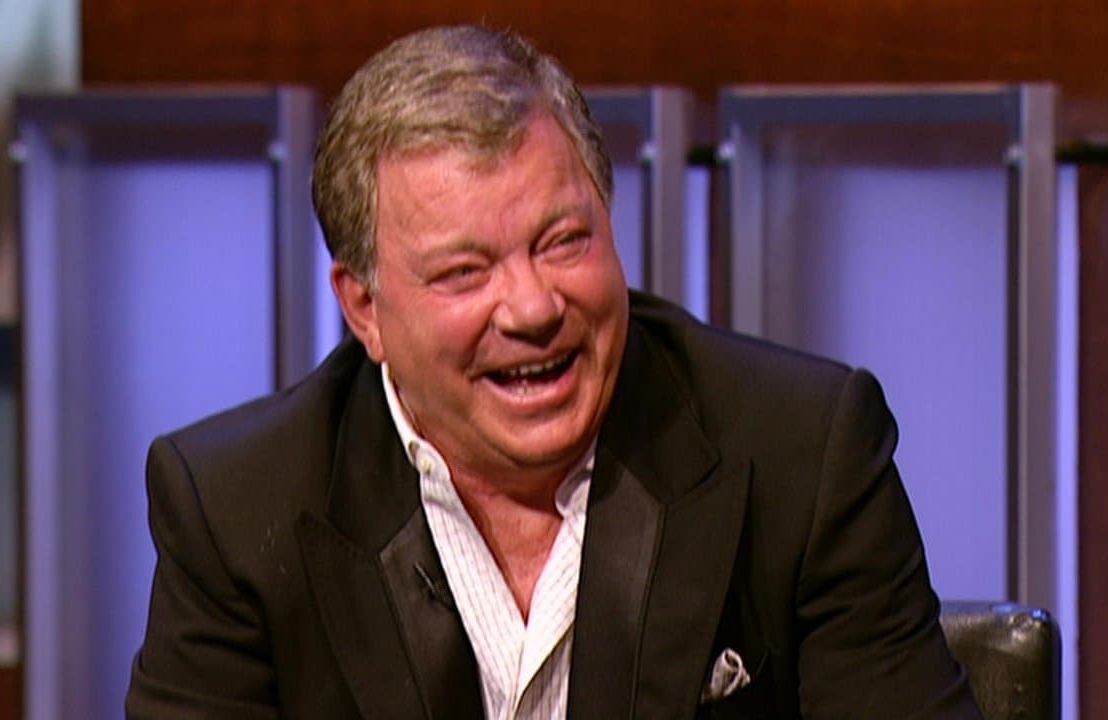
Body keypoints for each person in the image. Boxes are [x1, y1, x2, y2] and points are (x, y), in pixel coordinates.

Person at [126, 25, 981, 719]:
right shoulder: (239, 512)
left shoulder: (803, 454)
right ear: (364, 309)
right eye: (465, 272)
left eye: (564, 241)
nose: (533, 306)